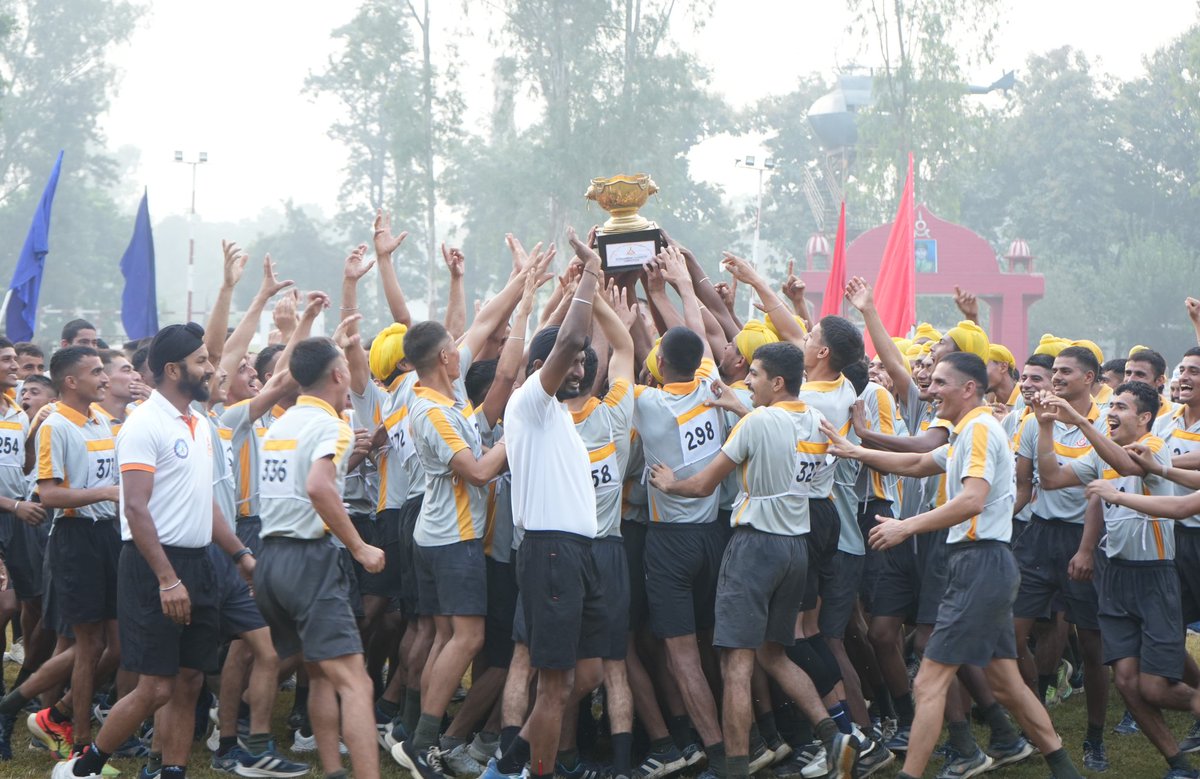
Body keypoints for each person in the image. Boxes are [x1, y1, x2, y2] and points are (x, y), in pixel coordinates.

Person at [824, 352, 1084, 779]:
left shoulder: (979, 430)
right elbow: (916, 463)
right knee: (1005, 682)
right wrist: (855, 450)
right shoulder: (967, 430)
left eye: (941, 383)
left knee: (928, 684)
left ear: (968, 389)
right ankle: (1064, 768)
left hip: (980, 565)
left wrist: (906, 526)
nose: (930, 390)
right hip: (982, 565)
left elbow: (972, 499)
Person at [650, 342, 861, 779]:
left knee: (736, 665)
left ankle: (735, 768)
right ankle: (833, 735)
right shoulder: (812, 417)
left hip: (754, 549)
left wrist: (671, 484)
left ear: (777, 381)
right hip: (795, 548)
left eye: (756, 375)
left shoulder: (759, 421)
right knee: (775, 655)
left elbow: (704, 486)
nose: (747, 382)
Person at [54, 323, 254, 779]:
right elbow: (136, 508)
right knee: (157, 687)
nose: (210, 368)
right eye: (202, 360)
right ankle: (83, 769)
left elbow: (206, 505)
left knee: (188, 680)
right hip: (154, 566)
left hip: (200, 562)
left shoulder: (199, 423)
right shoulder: (144, 424)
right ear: (173, 369)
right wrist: (168, 579)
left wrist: (241, 555)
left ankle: (172, 771)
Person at [482, 227, 607, 779]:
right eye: (572, 363)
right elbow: (568, 342)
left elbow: (580, 348)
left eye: (583, 365)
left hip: (578, 552)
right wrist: (591, 281)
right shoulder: (531, 401)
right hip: (552, 552)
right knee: (555, 685)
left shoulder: (556, 416)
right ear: (545, 367)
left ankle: (505, 768)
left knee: (590, 673)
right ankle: (534, 773)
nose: (580, 369)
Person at [1031, 381, 1198, 779]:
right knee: (1126, 682)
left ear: (1143, 418)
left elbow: (1127, 468)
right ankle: (1179, 765)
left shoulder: (1154, 446)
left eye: (1121, 407)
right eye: (1113, 405)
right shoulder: (1099, 450)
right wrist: (1046, 428)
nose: (1112, 411)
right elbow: (1051, 477)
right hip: (1114, 576)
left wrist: (1078, 420)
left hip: (1155, 576)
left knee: (1155, 687)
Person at [253, 329, 385, 779]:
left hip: (271, 558)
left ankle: (333, 771)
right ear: (337, 373)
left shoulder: (279, 422)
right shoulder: (334, 425)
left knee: (322, 673)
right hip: (309, 559)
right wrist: (361, 546)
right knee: (356, 682)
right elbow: (318, 486)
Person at [1010, 345, 1110, 770]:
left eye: (1065, 372)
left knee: (1091, 645)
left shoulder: (1105, 423)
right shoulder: (1036, 421)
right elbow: (1028, 486)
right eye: (1055, 371)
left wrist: (1087, 549)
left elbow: (1099, 496)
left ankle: (1094, 737)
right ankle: (1037, 718)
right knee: (1010, 637)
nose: (1056, 378)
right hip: (1039, 536)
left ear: (1089, 378)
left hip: (1086, 537)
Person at [31, 347, 120, 755]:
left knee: (115, 644)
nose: (105, 378)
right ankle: (78, 740)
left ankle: (59, 715)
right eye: (97, 371)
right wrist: (103, 493)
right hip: (75, 536)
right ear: (71, 381)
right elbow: (48, 494)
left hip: (108, 535)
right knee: (88, 645)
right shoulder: (56, 425)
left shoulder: (101, 419)